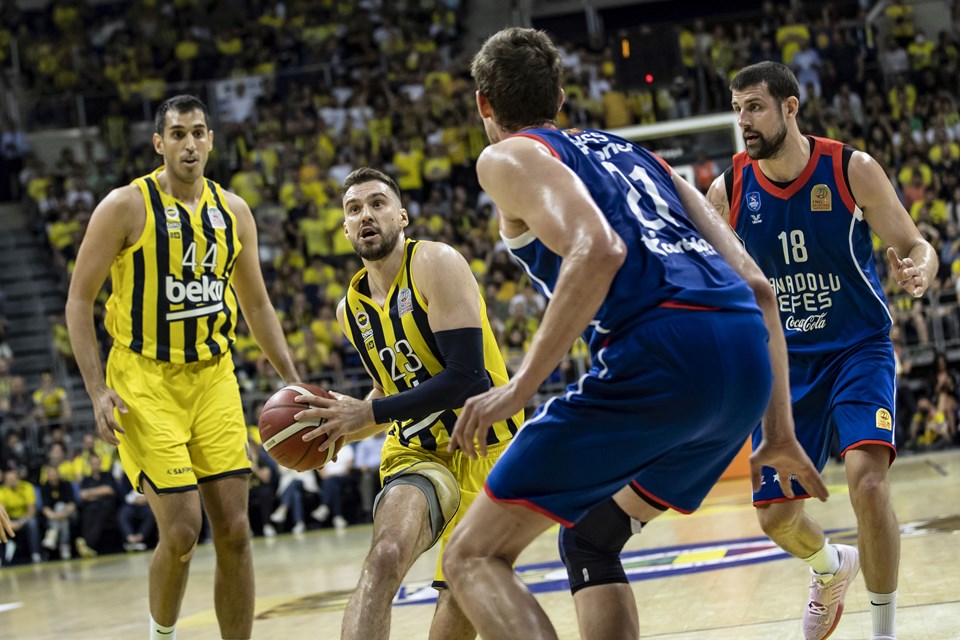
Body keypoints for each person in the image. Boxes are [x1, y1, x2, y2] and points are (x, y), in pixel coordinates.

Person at [440, 27, 825, 640]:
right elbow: (759, 289)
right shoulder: (639, 155)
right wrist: (777, 434)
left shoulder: (508, 156)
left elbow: (596, 250)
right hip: (744, 361)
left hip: (661, 354)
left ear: (484, 103)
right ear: (561, 99)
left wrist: (517, 390)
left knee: (470, 556)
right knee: (592, 537)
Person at [706, 61, 937, 640]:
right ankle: (831, 569)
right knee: (775, 518)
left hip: (857, 349)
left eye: (754, 107)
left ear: (791, 106)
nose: (744, 121)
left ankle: (883, 631)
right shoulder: (728, 189)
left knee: (868, 479)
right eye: (737, 110)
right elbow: (712, 283)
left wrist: (920, 271)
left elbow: (915, 243)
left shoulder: (850, 168)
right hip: (784, 366)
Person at [65, 95, 299, 640]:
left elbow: (257, 304)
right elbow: (79, 301)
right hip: (143, 381)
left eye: (198, 132)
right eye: (177, 134)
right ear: (159, 143)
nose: (189, 143)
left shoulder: (234, 212)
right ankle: (161, 635)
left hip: (213, 376)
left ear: (211, 140)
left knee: (237, 531)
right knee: (184, 531)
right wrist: (97, 391)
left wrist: (292, 379)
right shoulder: (126, 206)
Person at [293, 167, 524, 640]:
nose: (366, 216)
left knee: (457, 591)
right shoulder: (349, 310)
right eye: (354, 209)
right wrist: (339, 427)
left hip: (486, 447)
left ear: (402, 215)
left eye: (377, 204)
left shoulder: (436, 263)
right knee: (383, 557)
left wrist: (368, 414)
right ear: (344, 229)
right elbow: (389, 391)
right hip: (416, 451)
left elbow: (467, 377)